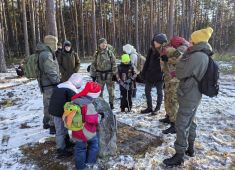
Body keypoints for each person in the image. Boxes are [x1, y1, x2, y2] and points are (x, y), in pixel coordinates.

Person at [163, 27, 213, 166]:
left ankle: (179, 155)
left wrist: (183, 57)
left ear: (197, 41)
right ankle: (190, 149)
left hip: (190, 93)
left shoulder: (197, 56)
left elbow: (180, 71)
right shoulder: (201, 53)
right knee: (191, 120)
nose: (189, 41)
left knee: (181, 124)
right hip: (192, 92)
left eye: (192, 39)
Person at [48, 73, 83, 158]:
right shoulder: (71, 89)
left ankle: (66, 143)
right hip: (59, 112)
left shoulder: (60, 85)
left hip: (54, 110)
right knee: (60, 130)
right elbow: (76, 103)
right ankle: (61, 150)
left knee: (63, 128)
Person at [160, 36, 189, 134]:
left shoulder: (183, 49)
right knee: (168, 98)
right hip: (170, 78)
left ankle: (175, 124)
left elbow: (181, 60)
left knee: (173, 101)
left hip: (176, 79)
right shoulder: (177, 48)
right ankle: (169, 117)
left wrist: (167, 59)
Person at [71, 81, 101, 170]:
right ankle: (89, 165)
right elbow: (93, 120)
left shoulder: (75, 100)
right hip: (87, 130)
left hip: (76, 129)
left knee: (80, 149)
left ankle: (80, 168)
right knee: (94, 144)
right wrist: (99, 116)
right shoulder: (89, 104)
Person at [37, 35, 60, 134]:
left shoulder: (43, 53)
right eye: (55, 43)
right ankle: (52, 126)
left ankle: (46, 122)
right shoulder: (47, 55)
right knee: (52, 105)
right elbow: (50, 70)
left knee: (46, 104)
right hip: (50, 84)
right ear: (51, 44)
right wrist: (57, 82)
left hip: (45, 84)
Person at [141, 33, 166, 115]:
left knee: (159, 92)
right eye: (154, 41)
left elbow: (168, 64)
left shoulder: (165, 51)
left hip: (160, 76)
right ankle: (149, 107)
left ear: (161, 42)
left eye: (156, 41)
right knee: (147, 91)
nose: (155, 42)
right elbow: (147, 62)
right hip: (150, 74)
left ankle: (157, 108)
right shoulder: (151, 49)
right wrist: (143, 72)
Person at [90, 38, 117, 110]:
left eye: (104, 43)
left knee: (111, 91)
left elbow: (114, 63)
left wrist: (114, 74)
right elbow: (93, 64)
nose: (103, 45)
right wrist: (93, 75)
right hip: (99, 76)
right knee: (99, 92)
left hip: (109, 75)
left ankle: (111, 104)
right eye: (102, 43)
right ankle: (100, 104)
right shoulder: (96, 53)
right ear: (99, 45)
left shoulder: (110, 53)